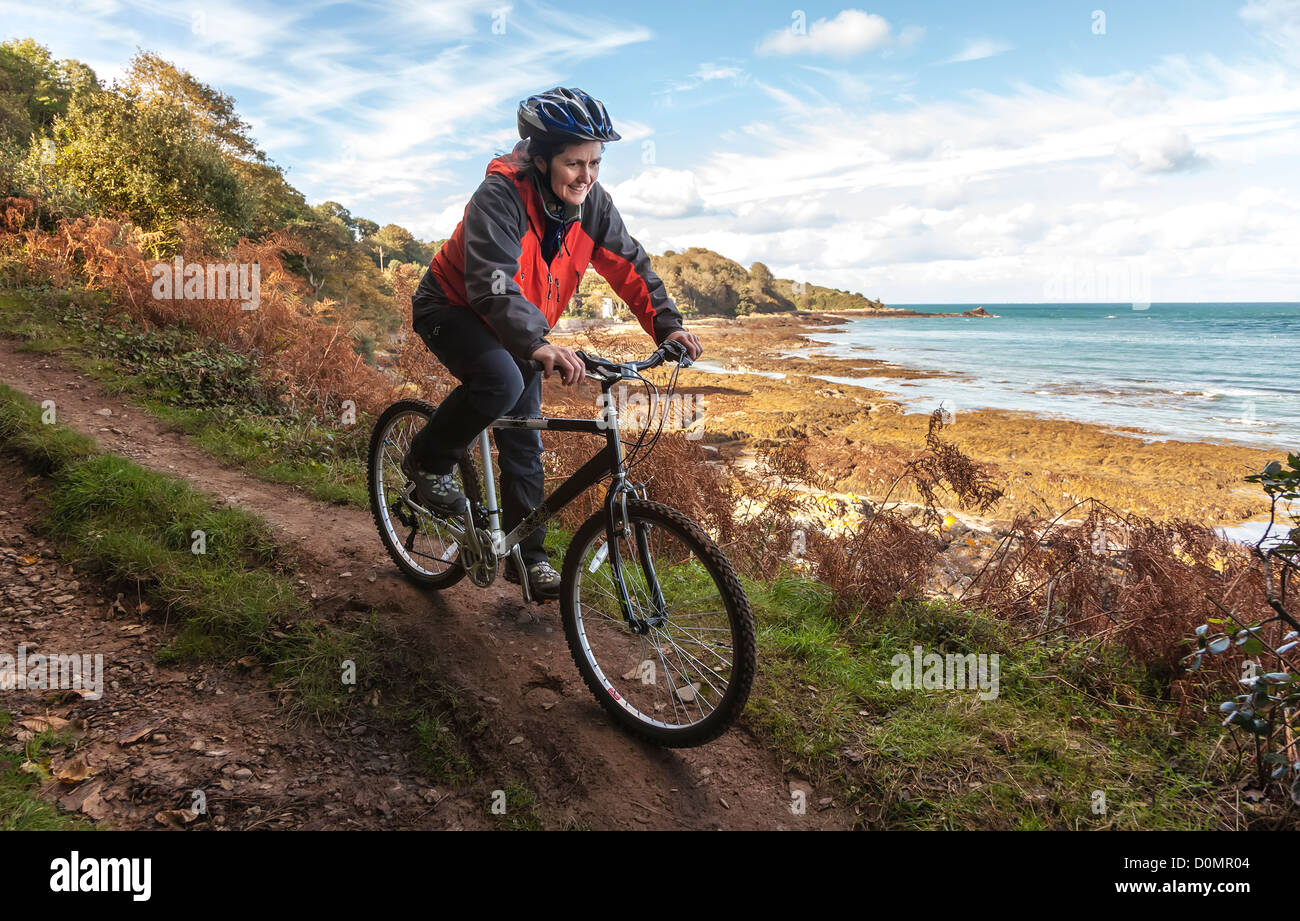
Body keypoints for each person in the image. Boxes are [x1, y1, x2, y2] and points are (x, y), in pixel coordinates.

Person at [404, 87, 703, 600]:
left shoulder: (592, 206)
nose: (586, 176)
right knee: (500, 380)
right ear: (540, 160)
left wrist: (667, 326)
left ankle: (528, 557)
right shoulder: (499, 196)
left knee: (525, 443)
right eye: (573, 163)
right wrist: (537, 345)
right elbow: (492, 282)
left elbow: (630, 266)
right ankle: (428, 463)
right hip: (453, 307)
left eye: (595, 163)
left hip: (520, 325)